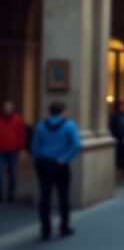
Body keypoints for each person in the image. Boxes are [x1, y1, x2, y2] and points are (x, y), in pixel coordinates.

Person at [31, 101, 81, 240]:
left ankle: (45, 229)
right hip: (60, 165)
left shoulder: (41, 126)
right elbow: (76, 145)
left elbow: (35, 146)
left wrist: (40, 158)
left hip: (44, 164)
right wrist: (64, 158)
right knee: (63, 197)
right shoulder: (69, 125)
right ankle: (64, 226)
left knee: (45, 197)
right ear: (63, 111)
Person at [0, 100, 26, 203]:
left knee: (12, 173)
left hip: (13, 150)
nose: (7, 109)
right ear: (3, 109)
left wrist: (20, 145)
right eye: (5, 107)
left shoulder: (17, 119)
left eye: (9, 107)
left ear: (13, 109)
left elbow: (21, 133)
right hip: (0, 150)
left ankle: (11, 194)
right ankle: (1, 195)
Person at [108, 103, 124, 180]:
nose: (122, 108)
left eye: (123, 106)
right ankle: (119, 171)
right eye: (121, 106)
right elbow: (112, 126)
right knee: (119, 156)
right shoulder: (115, 116)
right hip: (118, 138)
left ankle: (123, 169)